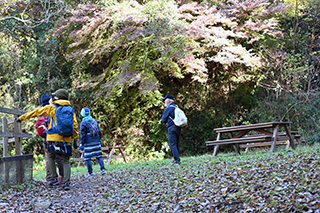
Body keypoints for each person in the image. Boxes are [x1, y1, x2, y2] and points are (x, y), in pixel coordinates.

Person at [17, 89, 79, 190]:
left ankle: (53, 178)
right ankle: (66, 182)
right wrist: (75, 140)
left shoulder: (52, 108)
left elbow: (36, 112)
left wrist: (21, 118)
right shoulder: (70, 110)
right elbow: (75, 126)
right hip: (66, 139)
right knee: (65, 160)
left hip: (52, 138)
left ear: (58, 97)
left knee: (50, 156)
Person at [39, 94, 64, 184]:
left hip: (45, 139)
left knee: (48, 158)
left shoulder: (42, 112)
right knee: (58, 157)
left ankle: (50, 178)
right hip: (55, 137)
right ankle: (62, 176)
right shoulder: (53, 109)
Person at [79, 107, 106, 177]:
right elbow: (99, 131)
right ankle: (103, 169)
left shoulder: (83, 123)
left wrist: (82, 144)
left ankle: (91, 173)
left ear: (82, 114)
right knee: (99, 156)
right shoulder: (94, 120)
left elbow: (83, 135)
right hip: (96, 140)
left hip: (88, 142)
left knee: (88, 158)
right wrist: (99, 140)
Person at [161, 94, 182, 165]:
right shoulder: (176, 107)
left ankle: (177, 160)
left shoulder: (168, 108)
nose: (164, 102)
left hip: (171, 127)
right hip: (178, 127)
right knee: (176, 143)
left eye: (165, 100)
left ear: (168, 100)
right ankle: (178, 158)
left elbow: (163, 119)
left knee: (172, 144)